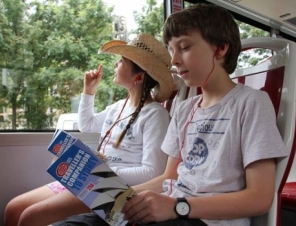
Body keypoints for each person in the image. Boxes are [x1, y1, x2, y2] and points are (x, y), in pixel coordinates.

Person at [51, 3, 288, 226]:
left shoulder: (251, 103)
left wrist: (178, 206)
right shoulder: (184, 109)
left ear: (220, 48)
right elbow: (168, 178)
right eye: (171, 50)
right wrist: (124, 198)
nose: (174, 60)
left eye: (184, 48)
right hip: (173, 208)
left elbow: (259, 198)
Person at [4, 33, 175, 226]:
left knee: (29, 217)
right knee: (13, 208)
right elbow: (88, 124)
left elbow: (153, 172)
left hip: (113, 187)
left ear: (138, 77)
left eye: (121, 61)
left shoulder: (155, 116)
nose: (115, 64)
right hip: (91, 177)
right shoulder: (119, 107)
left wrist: (98, 170)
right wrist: (89, 91)